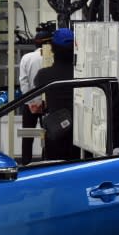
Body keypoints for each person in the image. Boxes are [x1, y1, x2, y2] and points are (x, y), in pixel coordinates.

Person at [34, 27, 78, 161]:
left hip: (56, 132)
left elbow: (36, 87)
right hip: (79, 136)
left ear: (52, 49)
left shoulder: (44, 75)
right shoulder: (82, 75)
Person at [18, 28, 52, 165]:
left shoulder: (26, 58)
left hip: (29, 105)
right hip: (47, 105)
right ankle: (47, 161)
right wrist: (42, 102)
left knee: (28, 136)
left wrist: (32, 102)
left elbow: (23, 82)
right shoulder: (51, 58)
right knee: (49, 134)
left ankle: (26, 163)